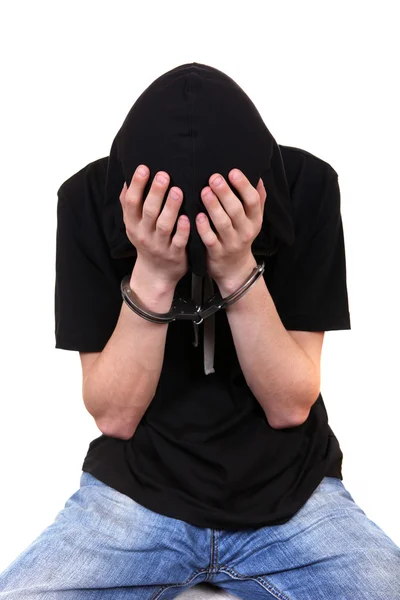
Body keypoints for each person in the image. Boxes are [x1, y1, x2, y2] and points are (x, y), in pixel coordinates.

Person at [1, 62, 399, 599]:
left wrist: (236, 268)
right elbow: (114, 415)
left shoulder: (310, 189)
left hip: (294, 493)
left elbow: (290, 405)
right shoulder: (88, 201)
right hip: (136, 491)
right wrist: (154, 271)